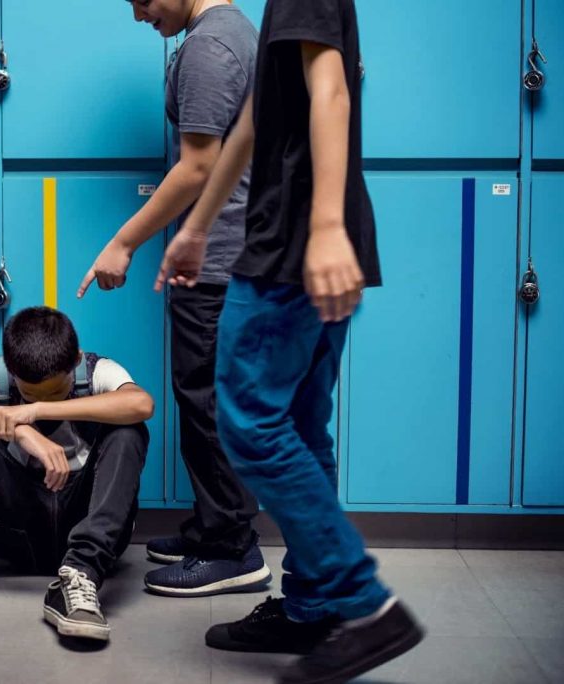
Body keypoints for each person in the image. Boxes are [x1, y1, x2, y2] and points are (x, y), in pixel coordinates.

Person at [156, 0, 424, 680]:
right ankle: (312, 608)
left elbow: (329, 87)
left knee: (248, 421)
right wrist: (197, 226)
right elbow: (256, 117)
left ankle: (363, 605)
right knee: (302, 427)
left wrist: (326, 225)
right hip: (296, 237)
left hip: (291, 245)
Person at [79, 0, 267, 598]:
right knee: (205, 398)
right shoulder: (229, 33)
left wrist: (123, 242)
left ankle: (233, 549)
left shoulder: (210, 47)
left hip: (219, 260)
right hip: (229, 253)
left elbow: (196, 167)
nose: (138, 14)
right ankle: (215, 527)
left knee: (206, 404)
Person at [0, 307, 153, 642]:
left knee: (129, 430)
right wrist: (21, 431)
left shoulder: (99, 372)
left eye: (55, 391)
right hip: (13, 528)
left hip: (83, 527)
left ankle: (81, 576)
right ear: (11, 368)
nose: (41, 399)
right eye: (30, 393)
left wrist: (34, 410)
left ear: (76, 361)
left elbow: (141, 404)